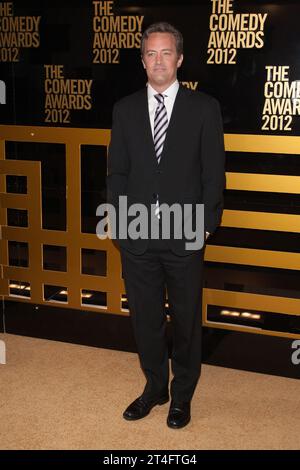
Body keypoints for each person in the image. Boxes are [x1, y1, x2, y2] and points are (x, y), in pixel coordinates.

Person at [107, 22, 225, 429]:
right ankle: (155, 387)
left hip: (186, 234)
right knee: (145, 319)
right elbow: (117, 174)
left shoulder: (204, 108)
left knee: (187, 321)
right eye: (150, 54)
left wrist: (205, 226)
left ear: (179, 59)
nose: (158, 61)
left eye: (165, 53)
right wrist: (120, 227)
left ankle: (182, 396)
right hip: (136, 236)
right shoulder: (123, 110)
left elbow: (213, 175)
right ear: (142, 61)